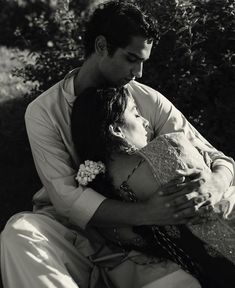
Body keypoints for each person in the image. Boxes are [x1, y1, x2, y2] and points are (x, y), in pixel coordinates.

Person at [1, 1, 234, 287]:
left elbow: (215, 156)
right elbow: (66, 198)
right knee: (20, 231)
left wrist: (214, 185)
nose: (139, 72)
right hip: (77, 233)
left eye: (143, 61)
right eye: (131, 58)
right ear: (101, 46)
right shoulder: (43, 111)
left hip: (146, 239)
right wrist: (147, 212)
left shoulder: (148, 99)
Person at [71, 86, 235, 287]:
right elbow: (219, 160)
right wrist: (218, 177)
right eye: (136, 113)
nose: (146, 122)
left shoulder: (105, 201)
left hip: (211, 274)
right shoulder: (168, 150)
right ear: (116, 130)